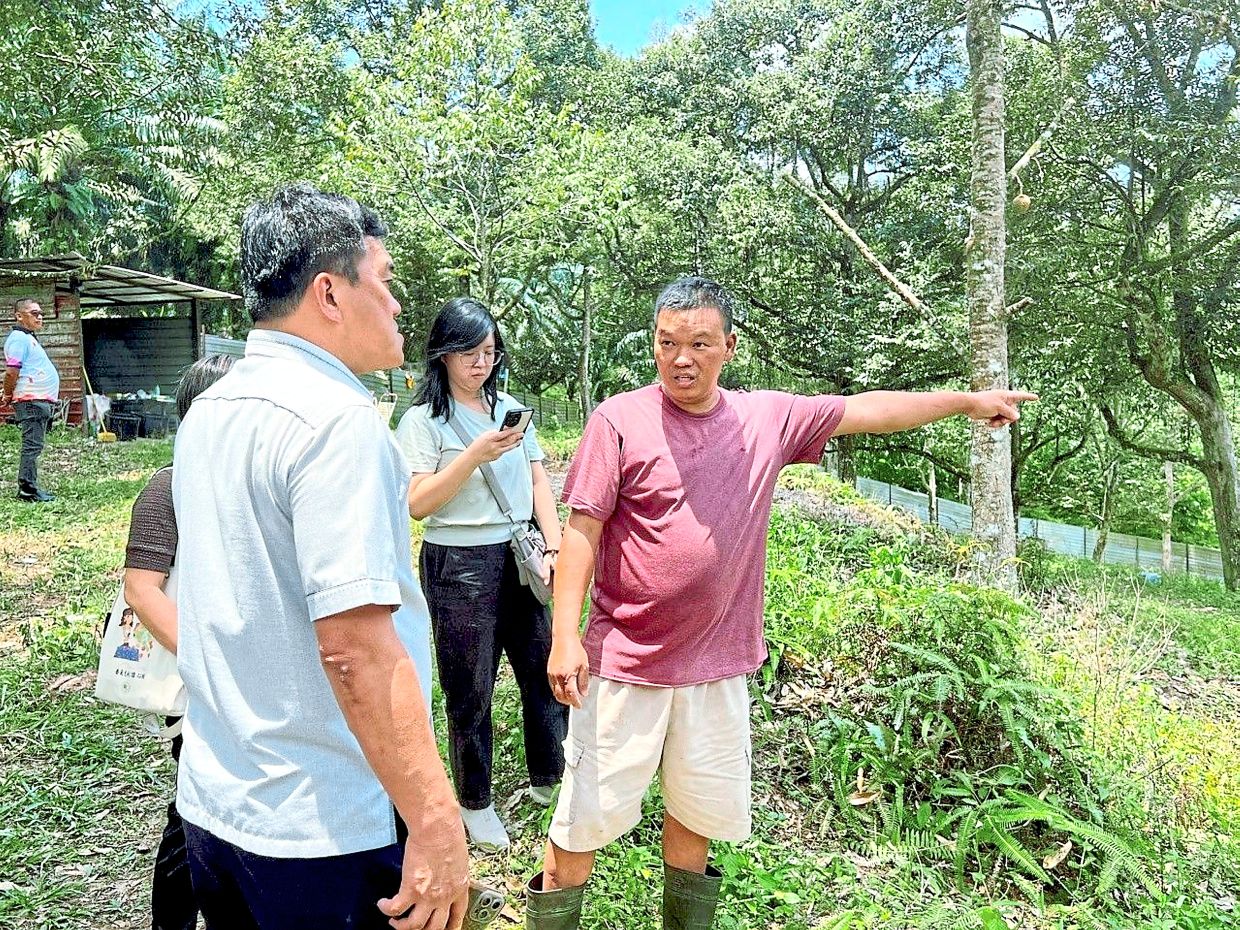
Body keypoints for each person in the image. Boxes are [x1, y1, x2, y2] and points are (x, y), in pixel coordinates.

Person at [524, 276, 1038, 929]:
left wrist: (967, 402)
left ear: (729, 347)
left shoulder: (765, 418)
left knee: (695, 823)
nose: (682, 359)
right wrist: (565, 636)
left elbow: (867, 410)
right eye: (667, 343)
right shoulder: (618, 421)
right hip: (626, 666)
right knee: (580, 826)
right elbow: (582, 532)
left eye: (700, 344)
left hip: (716, 670)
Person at [171, 184, 469, 930]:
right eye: (385, 280)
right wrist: (435, 818)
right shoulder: (336, 421)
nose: (397, 304)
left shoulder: (211, 409)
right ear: (330, 294)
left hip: (217, 802)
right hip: (321, 827)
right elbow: (355, 649)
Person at [395, 298, 567, 851]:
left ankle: (550, 776)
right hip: (458, 562)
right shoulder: (422, 421)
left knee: (542, 667)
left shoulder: (510, 408)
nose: (481, 363)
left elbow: (538, 481)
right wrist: (473, 454)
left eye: (490, 352)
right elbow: (418, 503)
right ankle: (475, 801)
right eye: (469, 352)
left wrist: (554, 545)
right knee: (469, 686)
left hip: (519, 552)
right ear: (443, 355)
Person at [121, 353, 235, 930]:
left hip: (243, 673)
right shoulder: (168, 486)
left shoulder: (245, 482)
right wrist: (204, 666)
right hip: (198, 681)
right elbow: (142, 590)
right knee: (195, 810)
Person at [3, 297, 60, 502]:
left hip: (36, 400)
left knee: (34, 445)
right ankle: (27, 490)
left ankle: (29, 487)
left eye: (41, 313)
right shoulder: (19, 338)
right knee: (32, 446)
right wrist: (7, 394)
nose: (40, 317)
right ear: (19, 316)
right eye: (34, 313)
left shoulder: (27, 338)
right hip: (31, 401)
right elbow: (11, 372)